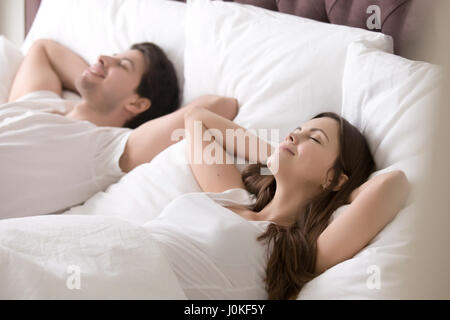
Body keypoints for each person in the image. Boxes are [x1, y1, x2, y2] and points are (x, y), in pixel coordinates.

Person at [145, 106, 410, 300]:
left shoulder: (296, 253)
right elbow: (197, 119)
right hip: (119, 246)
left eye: (314, 139)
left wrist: (341, 191)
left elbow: (393, 184)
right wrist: (277, 154)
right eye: (295, 132)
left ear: (333, 178)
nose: (293, 136)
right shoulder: (234, 195)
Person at [0, 39, 237, 219]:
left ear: (137, 103)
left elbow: (217, 106)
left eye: (123, 65)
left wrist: (103, 86)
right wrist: (98, 80)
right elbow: (44, 49)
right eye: (112, 56)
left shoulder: (107, 147)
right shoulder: (43, 102)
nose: (103, 57)